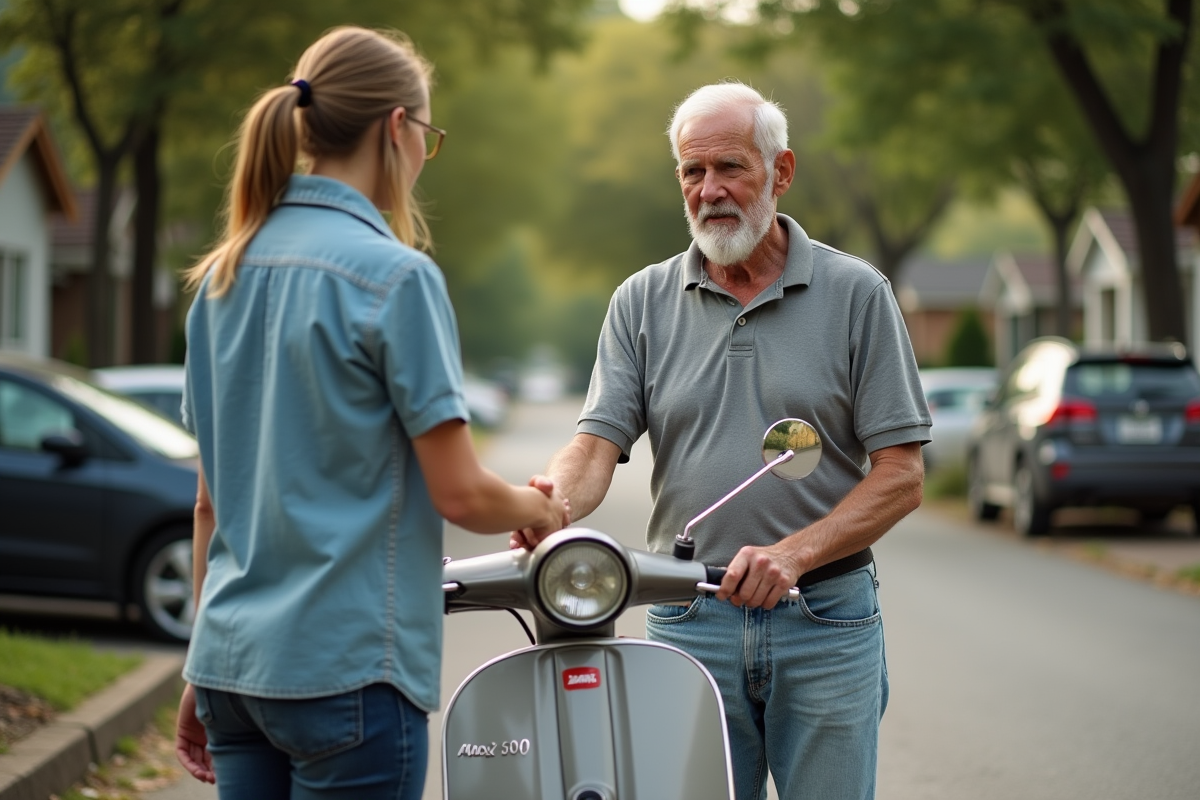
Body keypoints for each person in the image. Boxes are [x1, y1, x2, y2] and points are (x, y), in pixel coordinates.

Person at [173, 26, 568, 800]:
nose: (425, 154)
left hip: (232, 673)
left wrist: (203, 661)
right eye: (429, 135)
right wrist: (542, 511)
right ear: (398, 127)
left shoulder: (220, 278)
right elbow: (461, 494)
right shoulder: (396, 277)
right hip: (346, 671)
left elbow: (208, 503)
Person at [513, 82, 929, 800]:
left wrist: (794, 554)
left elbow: (902, 475)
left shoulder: (858, 294)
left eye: (730, 167)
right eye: (691, 172)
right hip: (687, 617)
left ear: (781, 171)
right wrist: (553, 505)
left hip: (823, 618)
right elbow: (594, 446)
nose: (710, 190)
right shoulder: (640, 301)